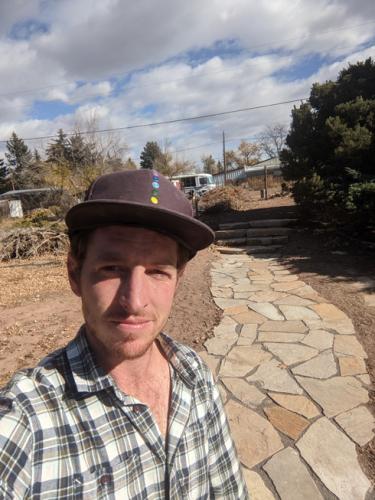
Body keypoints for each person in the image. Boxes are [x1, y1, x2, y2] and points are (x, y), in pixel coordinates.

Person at [0, 169, 248, 499]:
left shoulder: (196, 376)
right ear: (75, 273)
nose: (134, 301)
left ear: (178, 279)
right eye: (112, 268)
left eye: (158, 271)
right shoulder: (28, 420)